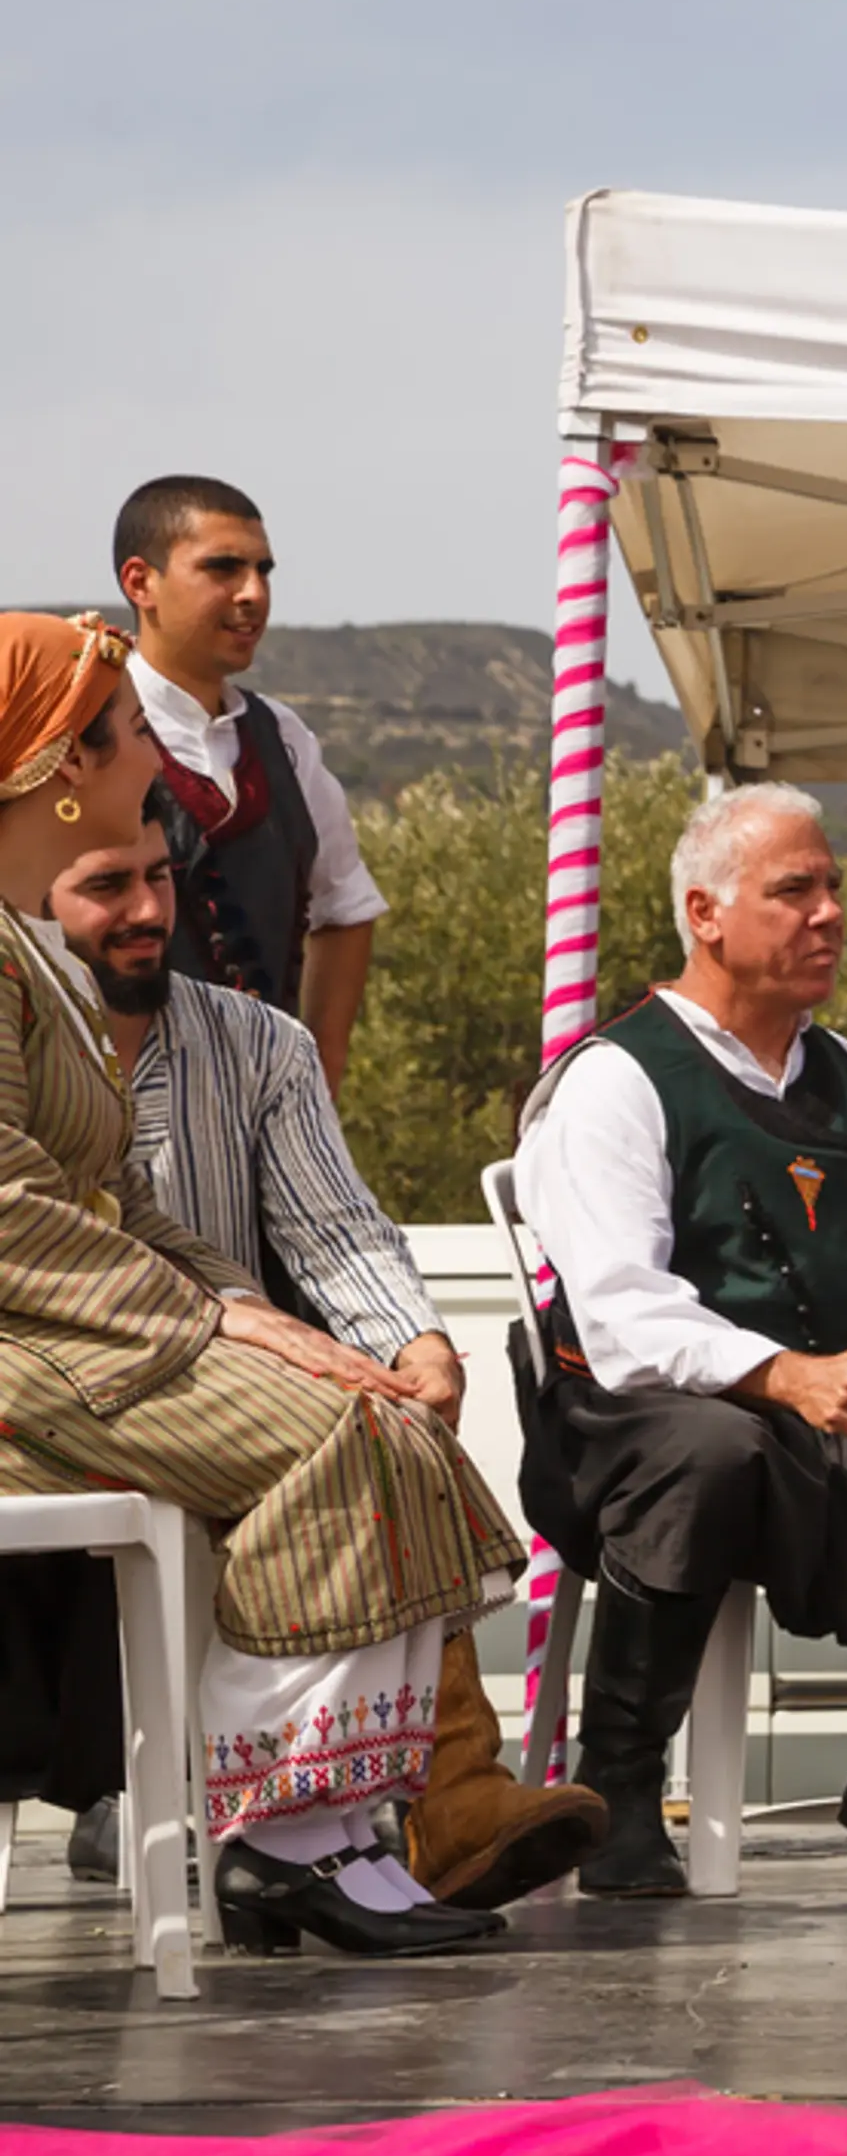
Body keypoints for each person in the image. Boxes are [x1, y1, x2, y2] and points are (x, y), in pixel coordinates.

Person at [0, 610, 521, 1957]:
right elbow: (12, 1220)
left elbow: (122, 1202)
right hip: (33, 1351)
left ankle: (349, 1829)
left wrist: (263, 1314)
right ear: (62, 770)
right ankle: (278, 1831)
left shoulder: (33, 963)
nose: (148, 765)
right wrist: (218, 1321)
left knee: (389, 1413)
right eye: (122, 737)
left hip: (85, 1329)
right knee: (343, 1430)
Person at [45, 816, 602, 1911]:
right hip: (79, 1393)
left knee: (390, 1414)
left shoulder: (258, 1043)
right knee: (339, 1432)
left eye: (160, 878)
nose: (149, 912)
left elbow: (339, 1231)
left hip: (222, 1383)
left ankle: (397, 1810)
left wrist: (420, 1346)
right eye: (106, 887)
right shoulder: (26, 1042)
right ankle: (336, 1819)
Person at [513, 783, 847, 1898]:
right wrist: (785, 1375)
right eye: (793, 890)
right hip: (628, 1431)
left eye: (834, 890)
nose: (829, 915)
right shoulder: (616, 1078)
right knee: (715, 1449)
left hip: (826, 1425)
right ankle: (615, 1783)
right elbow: (617, 1313)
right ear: (705, 914)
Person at [109, 478, 386, 1088]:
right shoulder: (84, 729)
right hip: (113, 1123)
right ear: (140, 582)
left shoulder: (283, 740)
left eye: (263, 570)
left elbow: (346, 906)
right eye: (223, 569)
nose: (253, 593)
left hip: (259, 1123)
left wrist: (319, 1079)